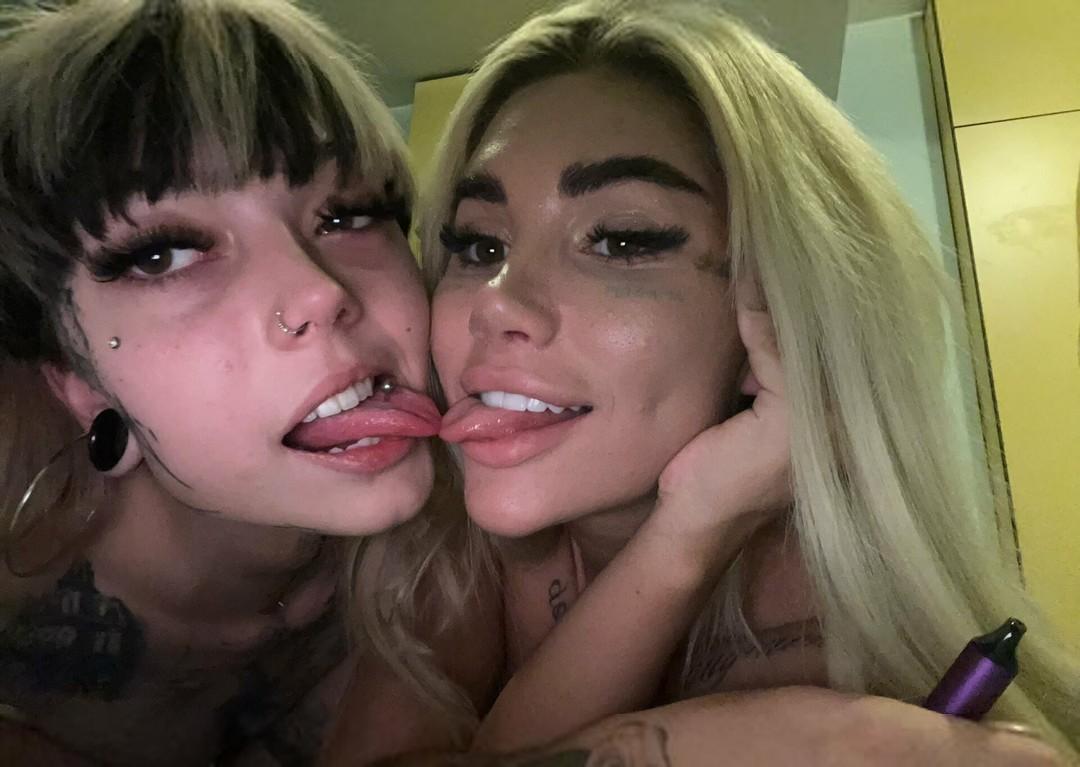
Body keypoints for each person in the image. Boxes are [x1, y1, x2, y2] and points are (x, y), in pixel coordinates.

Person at [380, 0, 1080, 762]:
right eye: (479, 245)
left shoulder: (822, 648)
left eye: (620, 241)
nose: (496, 303)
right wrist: (686, 538)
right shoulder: (443, 536)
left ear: (776, 320)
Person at [0, 1, 493, 764]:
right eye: (164, 254)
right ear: (77, 381)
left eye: (349, 214)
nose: (320, 291)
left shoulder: (457, 545)